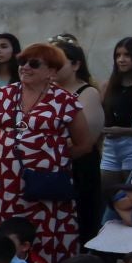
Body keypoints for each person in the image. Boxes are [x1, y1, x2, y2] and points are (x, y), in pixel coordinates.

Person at [0, 42, 88, 263]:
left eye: (34, 64)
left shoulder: (65, 100)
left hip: (44, 184)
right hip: (2, 183)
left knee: (42, 233)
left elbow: (84, 144)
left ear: (52, 71)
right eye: (22, 62)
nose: (25, 67)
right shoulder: (1, 95)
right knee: (1, 231)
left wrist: (51, 160)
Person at [50, 40, 106, 242]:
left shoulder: (87, 93)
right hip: (47, 168)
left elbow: (85, 141)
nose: (51, 66)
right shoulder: (43, 92)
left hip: (77, 169)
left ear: (76, 65)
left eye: (59, 61)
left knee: (80, 225)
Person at [98, 37, 132, 200]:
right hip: (111, 144)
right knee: (108, 192)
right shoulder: (108, 85)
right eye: (118, 55)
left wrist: (125, 131)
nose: (121, 59)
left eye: (127, 55)